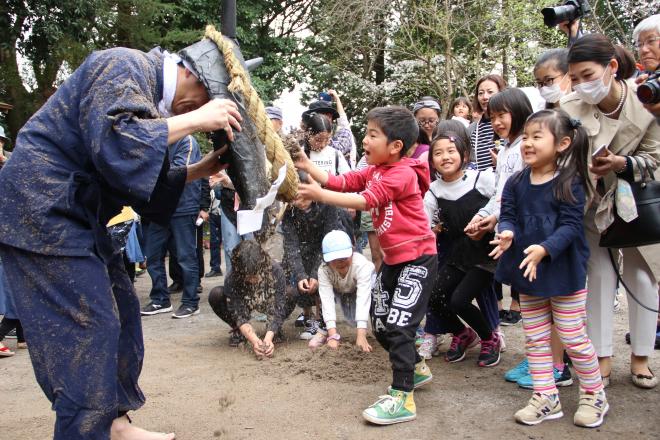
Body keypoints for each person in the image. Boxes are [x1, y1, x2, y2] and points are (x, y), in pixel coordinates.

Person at [0, 44, 242, 439]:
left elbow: (138, 183)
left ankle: (113, 423)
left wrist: (198, 170)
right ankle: (86, 431)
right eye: (204, 99)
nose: (197, 109)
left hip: (76, 217)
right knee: (88, 328)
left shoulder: (149, 101)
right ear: (194, 76)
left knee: (123, 310)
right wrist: (198, 118)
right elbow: (117, 146)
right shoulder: (121, 63)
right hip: (39, 210)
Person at [295, 106, 438, 425]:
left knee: (400, 324)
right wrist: (309, 167)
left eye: (373, 134)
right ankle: (415, 366)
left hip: (418, 260)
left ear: (395, 146)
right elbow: (342, 181)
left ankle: (402, 397)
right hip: (394, 263)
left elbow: (364, 201)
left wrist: (320, 194)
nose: (365, 139)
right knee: (382, 323)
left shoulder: (400, 173)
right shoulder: (373, 169)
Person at [491, 108, 608, 428]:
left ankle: (594, 393)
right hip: (527, 272)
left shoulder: (570, 181)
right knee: (536, 339)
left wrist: (545, 248)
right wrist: (507, 232)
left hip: (563, 272)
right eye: (525, 137)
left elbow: (571, 227)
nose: (527, 143)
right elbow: (509, 214)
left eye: (536, 137)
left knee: (572, 336)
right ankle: (546, 395)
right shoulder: (516, 181)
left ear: (563, 143)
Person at [562, 33, 660, 389]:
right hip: (591, 203)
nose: (580, 85)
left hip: (639, 202)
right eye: (574, 78)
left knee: (642, 276)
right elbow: (563, 155)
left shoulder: (647, 103)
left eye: (587, 75)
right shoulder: (569, 107)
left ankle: (641, 357)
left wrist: (623, 163)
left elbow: (656, 160)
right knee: (599, 277)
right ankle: (600, 357)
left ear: (612, 67)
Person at [423, 120, 500, 366]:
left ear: (463, 154)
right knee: (433, 296)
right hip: (458, 255)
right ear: (432, 160)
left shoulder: (482, 179)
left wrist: (491, 220)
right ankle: (463, 334)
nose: (445, 157)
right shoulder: (434, 191)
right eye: (438, 153)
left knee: (458, 300)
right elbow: (424, 223)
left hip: (486, 256)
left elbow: (503, 198)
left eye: (450, 151)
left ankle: (490, 338)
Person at [465, 88, 534, 325]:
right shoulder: (504, 150)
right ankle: (542, 358)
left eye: (501, 115)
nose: (496, 122)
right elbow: (500, 193)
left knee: (538, 299)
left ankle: (554, 358)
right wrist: (487, 216)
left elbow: (523, 194)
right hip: (506, 227)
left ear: (519, 111)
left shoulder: (526, 148)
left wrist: (498, 218)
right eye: (492, 117)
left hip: (525, 230)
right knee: (529, 297)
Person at [141, 135, 203, 318]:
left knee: (185, 256)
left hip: (183, 206)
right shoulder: (155, 140)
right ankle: (160, 299)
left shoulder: (187, 141)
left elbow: (179, 172)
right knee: (152, 255)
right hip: (160, 208)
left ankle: (191, 302)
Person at [281, 186, 347, 340]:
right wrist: (301, 275)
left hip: (327, 248)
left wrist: (314, 274)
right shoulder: (289, 211)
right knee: (301, 282)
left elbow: (328, 241)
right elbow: (291, 245)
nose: (300, 202)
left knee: (320, 278)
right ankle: (307, 315)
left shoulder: (327, 205)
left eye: (304, 198)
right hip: (302, 248)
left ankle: (321, 319)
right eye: (296, 199)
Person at [208, 240, 294, 356]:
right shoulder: (232, 276)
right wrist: (254, 340)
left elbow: (279, 306)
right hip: (245, 301)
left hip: (268, 300)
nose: (254, 280)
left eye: (256, 275)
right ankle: (239, 331)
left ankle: (275, 330)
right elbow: (238, 311)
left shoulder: (275, 269)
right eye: (249, 277)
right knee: (216, 294)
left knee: (290, 293)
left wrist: (268, 337)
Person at [309, 230, 375, 352]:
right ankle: (324, 331)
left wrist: (361, 335)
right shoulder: (324, 270)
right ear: (326, 259)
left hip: (361, 289)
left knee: (376, 293)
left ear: (352, 251)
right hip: (339, 289)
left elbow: (363, 298)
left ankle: (379, 327)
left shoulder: (361, 265)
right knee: (319, 290)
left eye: (344, 257)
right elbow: (327, 300)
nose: (340, 262)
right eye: (334, 258)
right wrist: (333, 336)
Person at [302, 90, 357, 167]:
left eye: (329, 116)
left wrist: (337, 99)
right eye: (322, 115)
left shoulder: (336, 147)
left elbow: (344, 126)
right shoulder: (301, 150)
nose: (326, 119)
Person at [468, 74, 507, 171]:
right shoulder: (472, 129)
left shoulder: (510, 124)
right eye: (480, 93)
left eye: (490, 92)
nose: (485, 97)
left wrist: (502, 163)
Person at [411, 97, 441, 163]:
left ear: (438, 118)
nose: (427, 125)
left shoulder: (443, 138)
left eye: (431, 121)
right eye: (422, 121)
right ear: (415, 119)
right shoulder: (410, 142)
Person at [205, 172, 224, 277]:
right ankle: (215, 268)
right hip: (214, 214)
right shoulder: (210, 177)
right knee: (214, 242)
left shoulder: (224, 175)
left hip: (225, 213)